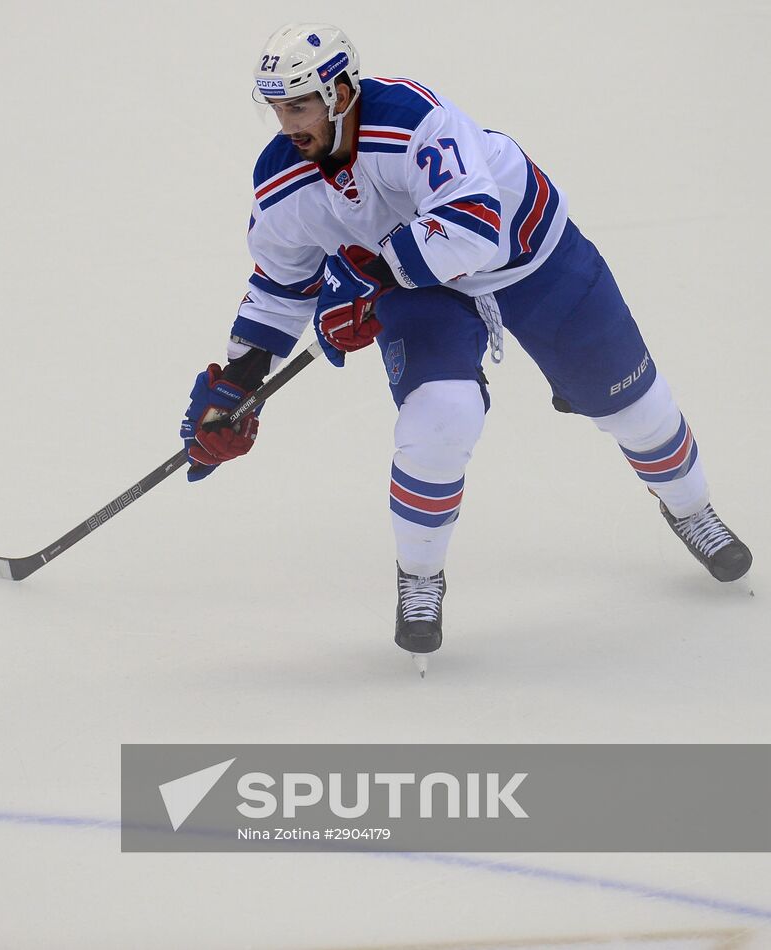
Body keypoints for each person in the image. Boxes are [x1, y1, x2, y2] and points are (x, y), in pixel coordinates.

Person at [179, 23, 752, 658]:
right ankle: (420, 575)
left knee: (636, 408)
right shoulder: (280, 178)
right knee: (441, 419)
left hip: (535, 259)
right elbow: (281, 283)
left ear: (341, 93)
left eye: (299, 104)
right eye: (277, 108)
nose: (286, 123)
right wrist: (240, 379)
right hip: (423, 288)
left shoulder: (414, 120)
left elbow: (474, 229)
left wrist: (362, 280)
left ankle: (690, 508)